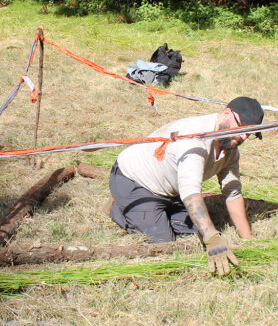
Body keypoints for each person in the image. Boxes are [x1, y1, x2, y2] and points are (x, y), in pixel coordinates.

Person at [108, 97, 264, 276]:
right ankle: (119, 209)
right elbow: (190, 193)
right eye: (242, 128)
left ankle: (154, 213)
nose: (243, 137)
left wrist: (248, 239)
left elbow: (233, 193)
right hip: (133, 181)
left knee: (194, 235)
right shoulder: (195, 139)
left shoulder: (230, 148)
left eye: (250, 133)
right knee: (165, 244)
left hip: (169, 191)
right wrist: (212, 238)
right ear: (227, 113)